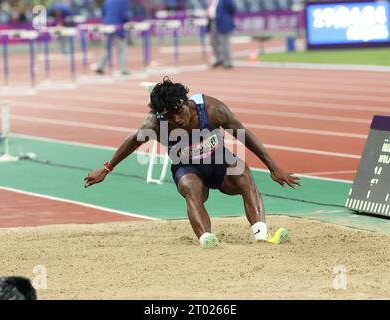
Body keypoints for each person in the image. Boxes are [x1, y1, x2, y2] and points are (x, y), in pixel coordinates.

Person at [84, 77, 301, 248]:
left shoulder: (213, 109)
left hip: (220, 162)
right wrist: (106, 168)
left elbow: (244, 135)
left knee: (243, 170)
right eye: (168, 116)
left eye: (178, 112)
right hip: (188, 168)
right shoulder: (154, 124)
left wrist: (273, 166)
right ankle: (207, 239)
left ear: (186, 103)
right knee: (190, 188)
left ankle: (261, 235)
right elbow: (132, 142)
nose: (176, 120)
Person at [95, 0, 131, 76]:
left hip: (107, 25)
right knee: (122, 48)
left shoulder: (108, 1)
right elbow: (125, 16)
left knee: (106, 48)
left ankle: (100, 67)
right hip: (118, 26)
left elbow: (103, 12)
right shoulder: (124, 1)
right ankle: (122, 69)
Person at [207, 0, 236, 69]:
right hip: (212, 22)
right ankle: (218, 58)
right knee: (213, 41)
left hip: (223, 22)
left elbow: (232, 8)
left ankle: (227, 61)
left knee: (224, 43)